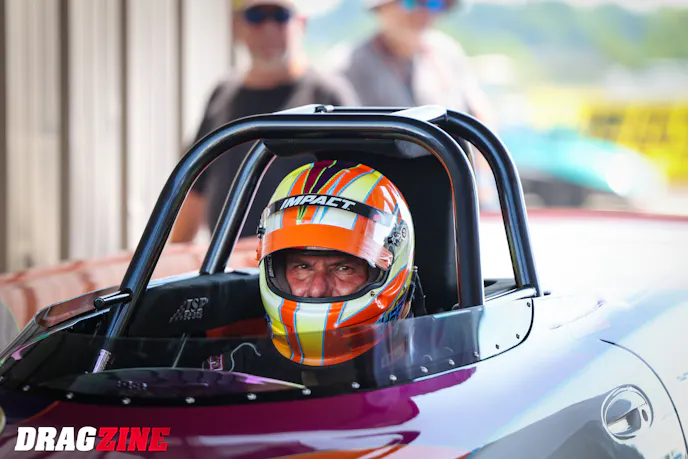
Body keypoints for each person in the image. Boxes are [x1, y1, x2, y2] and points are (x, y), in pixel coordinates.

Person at [204, 160, 426, 379]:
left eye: (343, 268)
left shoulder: (436, 374)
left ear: (392, 271)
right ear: (274, 270)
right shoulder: (236, 377)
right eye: (302, 267)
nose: (317, 289)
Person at [170, 0, 359, 247]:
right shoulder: (223, 94)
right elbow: (196, 187)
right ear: (237, 26)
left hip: (302, 259)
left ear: (301, 24)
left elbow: (357, 187)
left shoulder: (327, 96)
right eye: (256, 16)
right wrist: (174, 254)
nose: (268, 29)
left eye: (280, 16)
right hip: (227, 260)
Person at [329, 0, 499, 208]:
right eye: (411, 2)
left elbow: (478, 115)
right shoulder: (347, 66)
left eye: (433, 4)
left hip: (452, 193)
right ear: (382, 9)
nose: (422, 12)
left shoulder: (447, 54)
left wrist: (482, 183)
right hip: (380, 197)